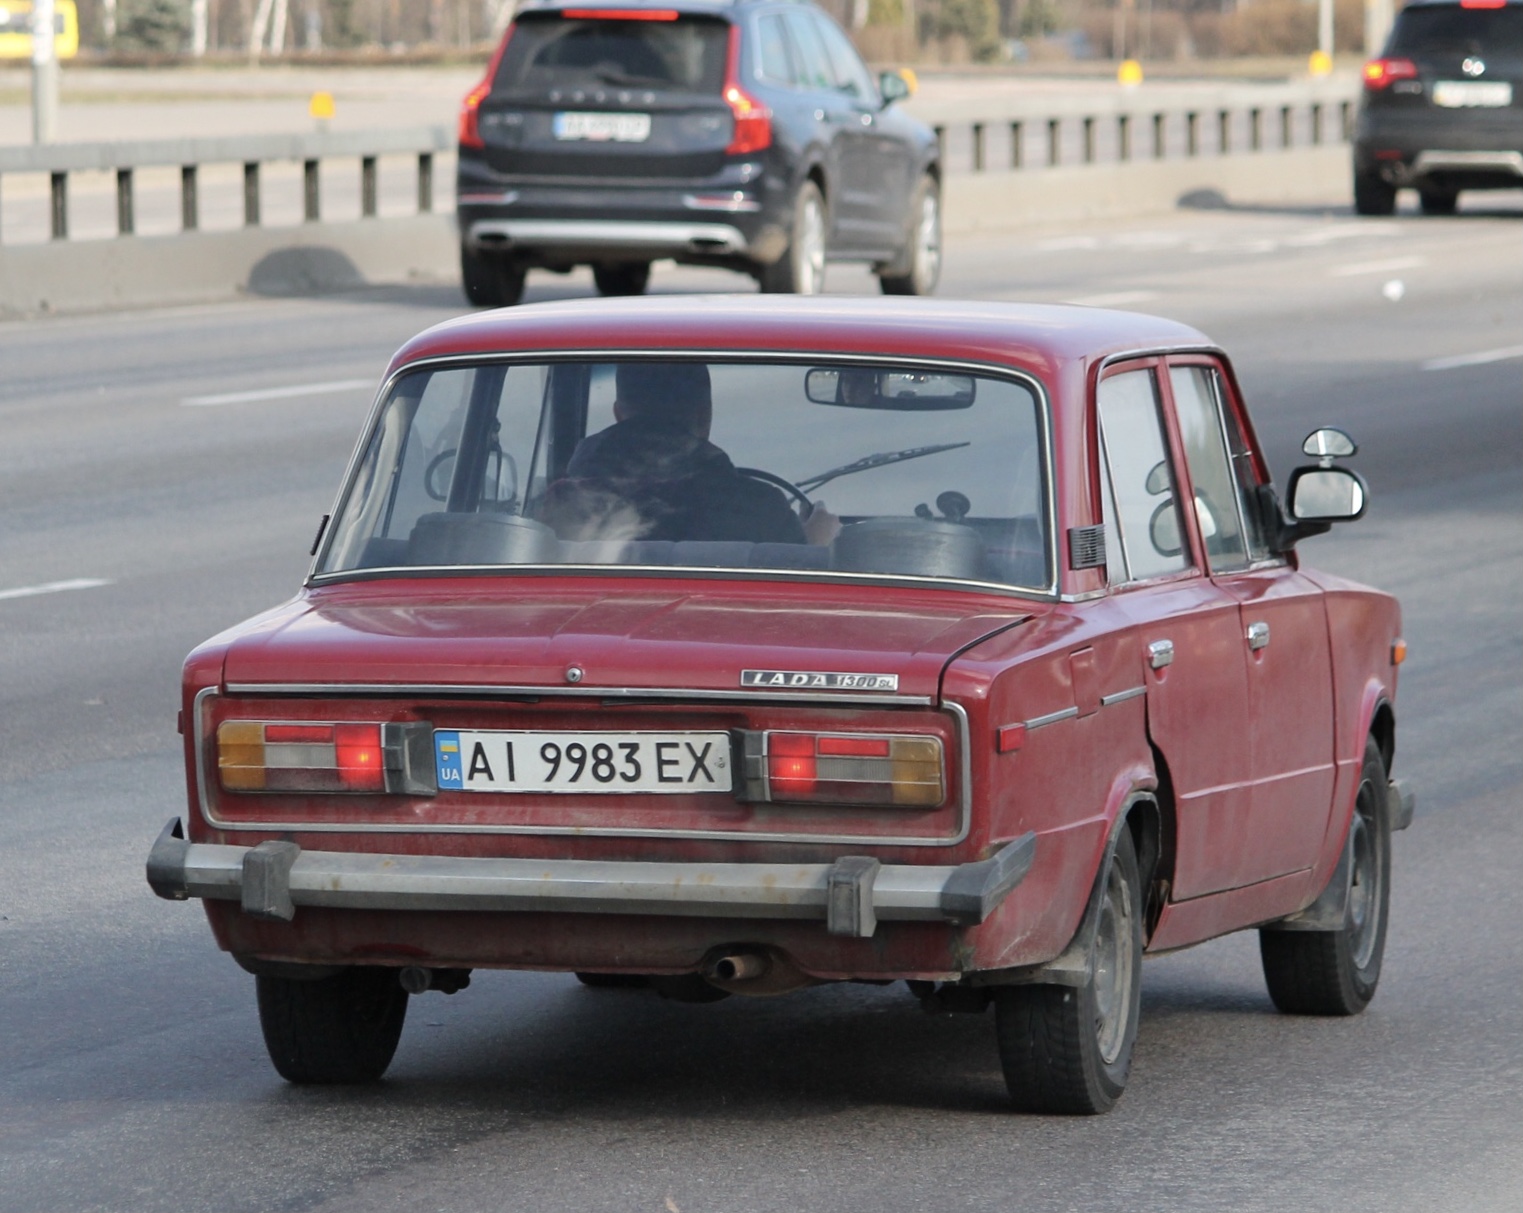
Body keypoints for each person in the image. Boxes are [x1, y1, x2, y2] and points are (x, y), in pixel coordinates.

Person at [546, 362, 839, 545]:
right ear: (705, 415)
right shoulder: (760, 509)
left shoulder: (559, 506)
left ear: (618, 414)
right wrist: (816, 545)